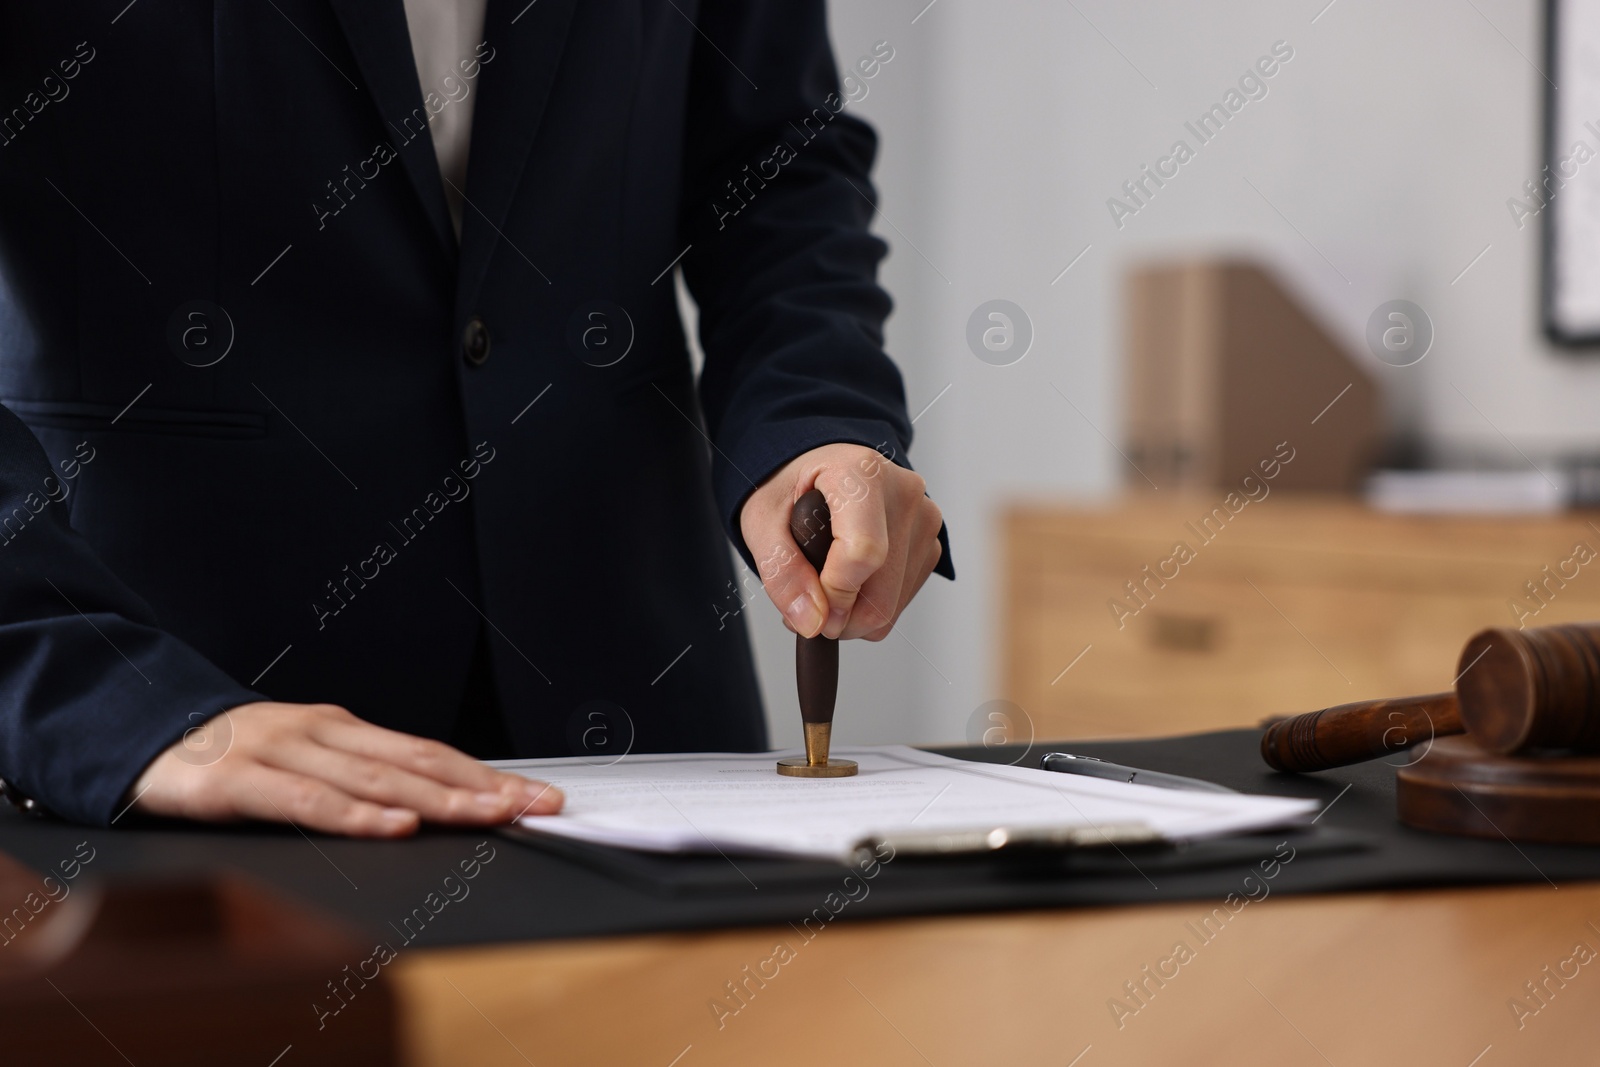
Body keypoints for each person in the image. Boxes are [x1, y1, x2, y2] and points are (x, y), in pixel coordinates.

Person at [0, 0, 949, 837]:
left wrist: (815, 415)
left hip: (638, 709)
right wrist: (100, 703)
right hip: (181, 727)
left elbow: (775, 163)